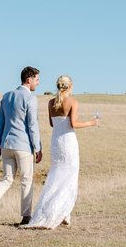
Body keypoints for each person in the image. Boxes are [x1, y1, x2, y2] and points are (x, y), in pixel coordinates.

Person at [21, 74, 98, 230]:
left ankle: (61, 213)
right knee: (69, 176)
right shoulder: (73, 102)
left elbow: (51, 123)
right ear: (70, 86)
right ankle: (63, 212)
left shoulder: (51, 103)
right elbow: (73, 123)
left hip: (56, 143)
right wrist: (91, 122)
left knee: (56, 176)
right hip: (68, 143)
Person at [0, 66, 43, 226]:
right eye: (37, 79)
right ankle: (26, 217)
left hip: (6, 144)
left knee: (7, 179)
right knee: (26, 180)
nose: (38, 82)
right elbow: (32, 125)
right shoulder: (30, 99)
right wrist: (38, 147)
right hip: (23, 145)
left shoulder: (6, 96)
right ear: (29, 80)